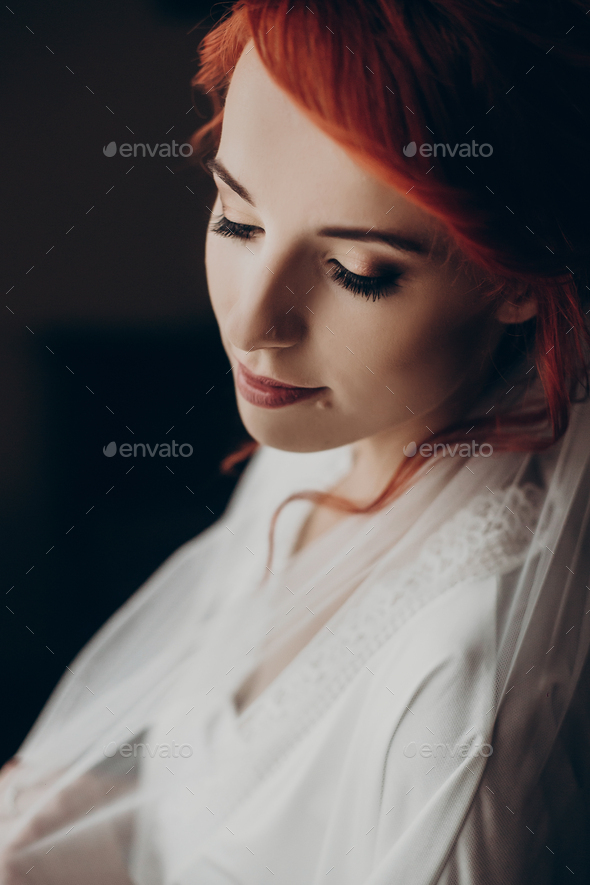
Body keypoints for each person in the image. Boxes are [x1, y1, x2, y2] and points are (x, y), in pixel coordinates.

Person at [1, 1, 590, 882]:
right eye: (236, 220)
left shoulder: (460, 698)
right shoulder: (311, 445)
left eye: (359, 272)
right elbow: (185, 798)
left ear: (516, 278)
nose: (254, 322)